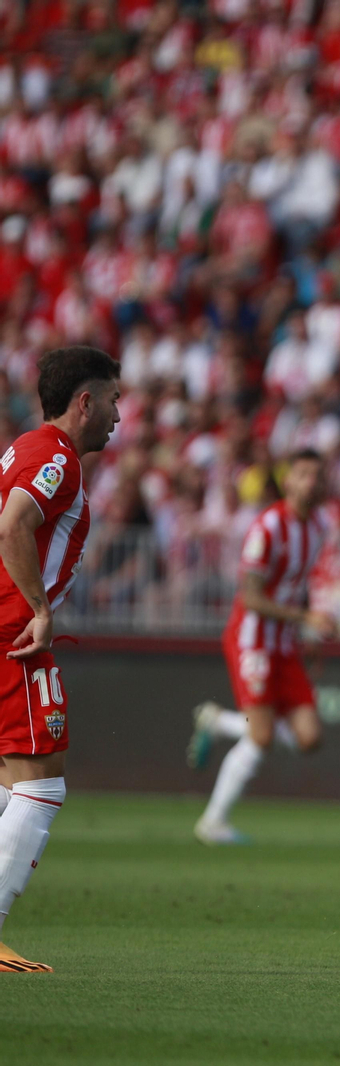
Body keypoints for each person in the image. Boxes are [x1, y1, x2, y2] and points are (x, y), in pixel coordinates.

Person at [0, 346, 121, 973]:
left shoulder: (24, 447)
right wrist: (40, 610)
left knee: (10, 781)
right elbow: (13, 525)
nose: (118, 416)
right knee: (42, 783)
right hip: (14, 634)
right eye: (114, 400)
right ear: (85, 402)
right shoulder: (56, 459)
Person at [188, 451, 336, 845]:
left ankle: (219, 722)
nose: (311, 482)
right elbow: (250, 597)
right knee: (262, 736)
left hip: (285, 644)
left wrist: (308, 635)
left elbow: (302, 585)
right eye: (303, 474)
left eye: (318, 475)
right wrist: (305, 618)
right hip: (251, 640)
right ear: (289, 482)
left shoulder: (319, 526)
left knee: (309, 737)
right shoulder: (268, 526)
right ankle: (213, 822)